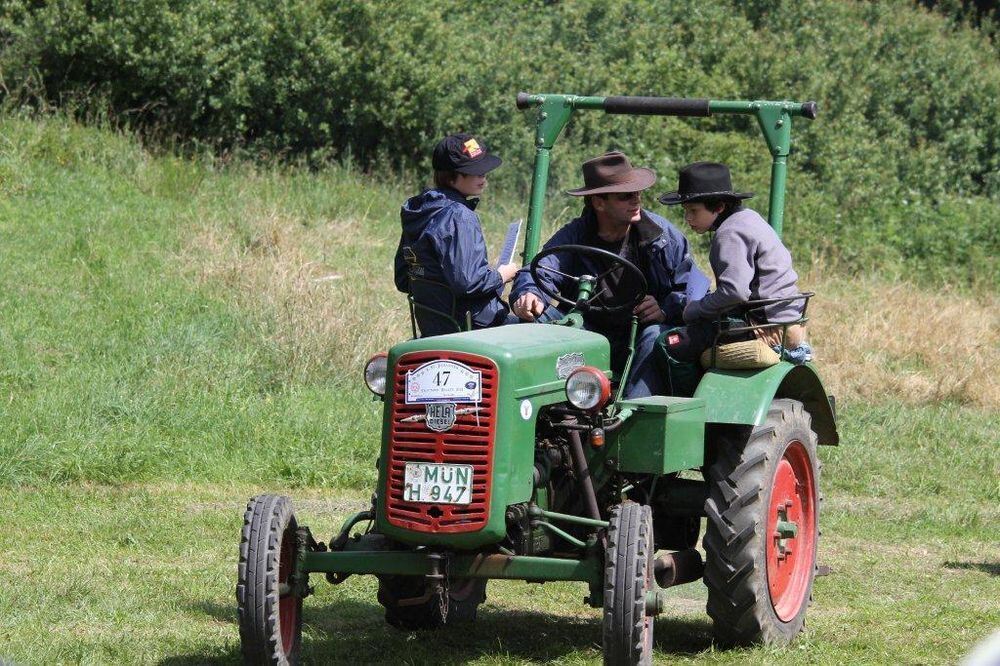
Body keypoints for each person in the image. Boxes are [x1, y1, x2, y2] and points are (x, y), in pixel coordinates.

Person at [510, 151, 709, 398]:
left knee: (654, 336)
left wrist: (665, 308)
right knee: (527, 322)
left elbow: (691, 288)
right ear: (599, 202)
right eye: (625, 196)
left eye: (638, 193)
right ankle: (543, 411)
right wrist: (528, 293)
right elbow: (539, 269)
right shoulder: (575, 235)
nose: (636, 201)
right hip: (587, 330)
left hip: (640, 331)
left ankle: (631, 415)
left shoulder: (662, 236)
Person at [655, 161, 811, 390]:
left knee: (669, 344)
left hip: (764, 327)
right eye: (685, 211)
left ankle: (688, 408)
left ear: (718, 206)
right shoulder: (749, 218)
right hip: (783, 320)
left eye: (694, 211)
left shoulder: (729, 232)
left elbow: (735, 291)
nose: (688, 218)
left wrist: (694, 309)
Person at [394, 133, 519, 337]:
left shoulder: (419, 211)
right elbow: (468, 282)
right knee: (544, 329)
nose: (483, 178)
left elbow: (403, 279)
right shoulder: (460, 216)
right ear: (451, 175)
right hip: (472, 328)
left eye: (484, 171)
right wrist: (501, 275)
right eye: (475, 172)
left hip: (433, 326)